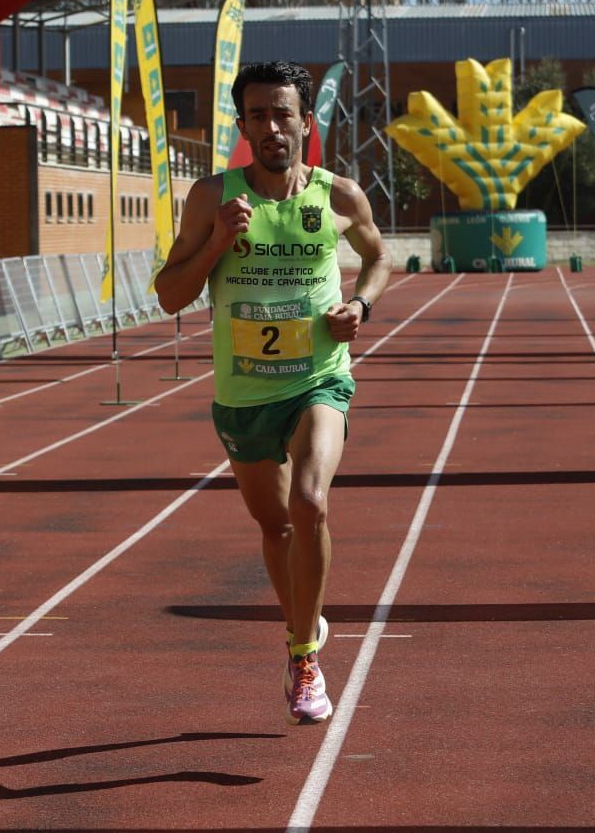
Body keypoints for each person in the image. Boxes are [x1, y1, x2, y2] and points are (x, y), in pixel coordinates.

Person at [156, 61, 390, 724]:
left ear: (305, 122)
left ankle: (303, 653)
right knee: (276, 524)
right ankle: (304, 629)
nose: (271, 127)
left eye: (282, 113)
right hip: (242, 393)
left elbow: (380, 257)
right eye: (257, 115)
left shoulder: (338, 196)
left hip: (320, 377)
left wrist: (362, 307)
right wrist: (218, 244)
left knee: (310, 501)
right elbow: (170, 293)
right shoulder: (211, 198)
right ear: (243, 125)